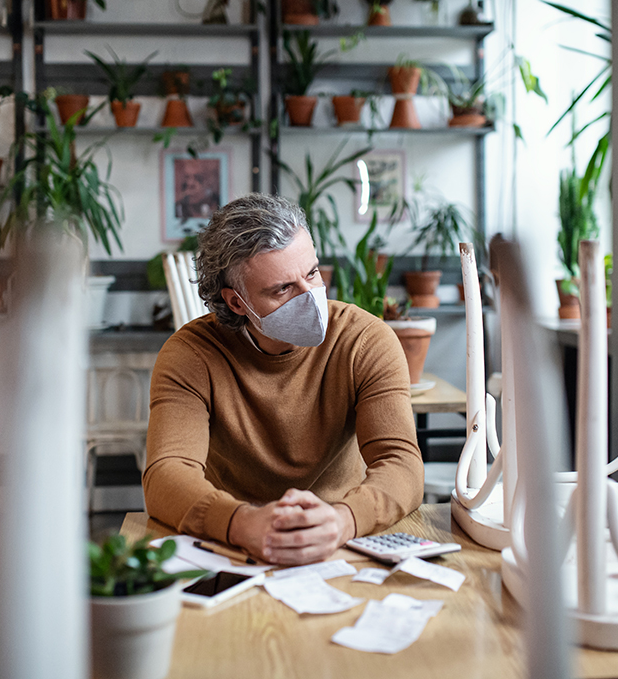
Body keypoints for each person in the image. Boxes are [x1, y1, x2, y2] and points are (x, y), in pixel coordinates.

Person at [143, 193, 423, 565]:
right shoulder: (191, 355)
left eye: (311, 273)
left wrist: (344, 519)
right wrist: (241, 523)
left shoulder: (365, 340)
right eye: (282, 289)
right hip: (232, 545)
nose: (310, 297)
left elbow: (400, 462)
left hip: (338, 538)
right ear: (237, 302)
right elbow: (166, 474)